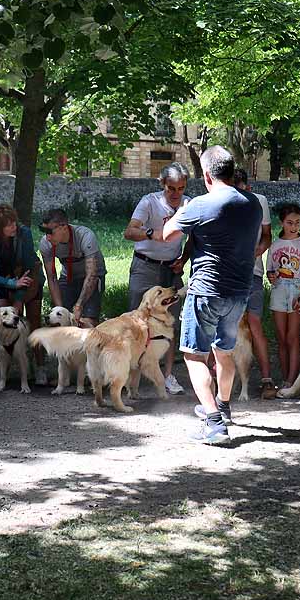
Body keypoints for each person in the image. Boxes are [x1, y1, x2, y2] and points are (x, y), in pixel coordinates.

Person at [158, 146, 266, 445]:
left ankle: (214, 422)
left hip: (206, 291)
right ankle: (223, 405)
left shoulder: (200, 205)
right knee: (224, 352)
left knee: (194, 355)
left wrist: (182, 212)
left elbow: (168, 234)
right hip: (239, 293)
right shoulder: (254, 204)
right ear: (232, 171)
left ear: (206, 174)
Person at [123, 162, 191, 395]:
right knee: (135, 321)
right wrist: (152, 233)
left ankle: (168, 375)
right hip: (145, 265)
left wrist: (184, 258)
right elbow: (129, 231)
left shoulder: (188, 204)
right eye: (171, 188)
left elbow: (196, 236)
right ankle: (130, 375)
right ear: (163, 185)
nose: (176, 194)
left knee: (171, 323)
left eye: (181, 188)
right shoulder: (149, 201)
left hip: (171, 270)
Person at [231, 169, 276, 397]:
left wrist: (258, 251)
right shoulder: (225, 202)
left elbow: (268, 235)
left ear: (247, 187)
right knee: (223, 323)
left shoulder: (260, 202)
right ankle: (217, 379)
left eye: (243, 190)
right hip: (229, 274)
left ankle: (267, 379)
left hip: (253, 273)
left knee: (255, 324)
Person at [266, 203, 300, 387]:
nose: (294, 227)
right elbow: (271, 272)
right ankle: (285, 377)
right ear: (281, 223)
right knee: (281, 337)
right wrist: (271, 276)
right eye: (289, 223)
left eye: (297, 222)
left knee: (292, 336)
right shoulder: (274, 246)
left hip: (298, 290)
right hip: (279, 290)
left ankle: (293, 379)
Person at [0, 203, 45, 329]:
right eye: (9, 225)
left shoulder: (24, 233)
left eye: (14, 223)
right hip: (3, 281)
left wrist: (19, 299)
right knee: (5, 321)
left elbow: (29, 267)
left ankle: (34, 348)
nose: (14, 227)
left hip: (30, 277)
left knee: (34, 322)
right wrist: (12, 283)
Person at [39, 209, 106, 328]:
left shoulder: (85, 236)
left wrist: (79, 306)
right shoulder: (45, 244)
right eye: (44, 231)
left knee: (86, 321)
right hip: (68, 277)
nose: (47, 237)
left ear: (64, 227)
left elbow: (92, 275)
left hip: (92, 277)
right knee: (57, 320)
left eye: (50, 231)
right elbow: (52, 278)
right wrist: (60, 310)